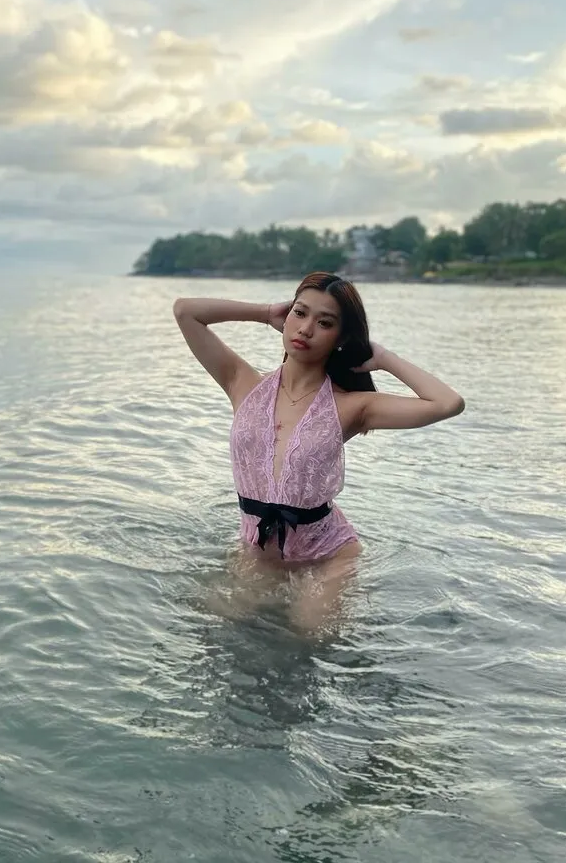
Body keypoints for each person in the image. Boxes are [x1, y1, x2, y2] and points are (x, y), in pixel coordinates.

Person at [172, 271, 465, 633]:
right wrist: (264, 312)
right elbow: (186, 311)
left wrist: (383, 357)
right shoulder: (242, 383)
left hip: (328, 554)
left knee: (309, 636)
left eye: (324, 322)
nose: (306, 329)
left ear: (340, 338)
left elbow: (448, 403)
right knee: (217, 624)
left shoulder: (352, 406)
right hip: (258, 549)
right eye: (300, 313)